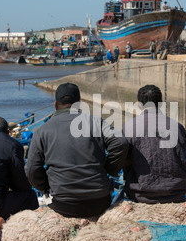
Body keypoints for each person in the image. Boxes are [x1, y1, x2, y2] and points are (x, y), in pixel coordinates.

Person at [25, 83, 128, 218]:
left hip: (62, 204)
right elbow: (120, 143)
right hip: (99, 201)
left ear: (55, 105)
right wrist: (109, 169)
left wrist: (45, 187)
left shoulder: (42, 130)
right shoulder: (96, 122)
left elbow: (31, 169)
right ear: (79, 104)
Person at [122, 85, 186, 204]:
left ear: (138, 104)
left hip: (140, 195)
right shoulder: (178, 127)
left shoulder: (128, 127)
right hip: (176, 194)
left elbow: (125, 163)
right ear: (161, 104)